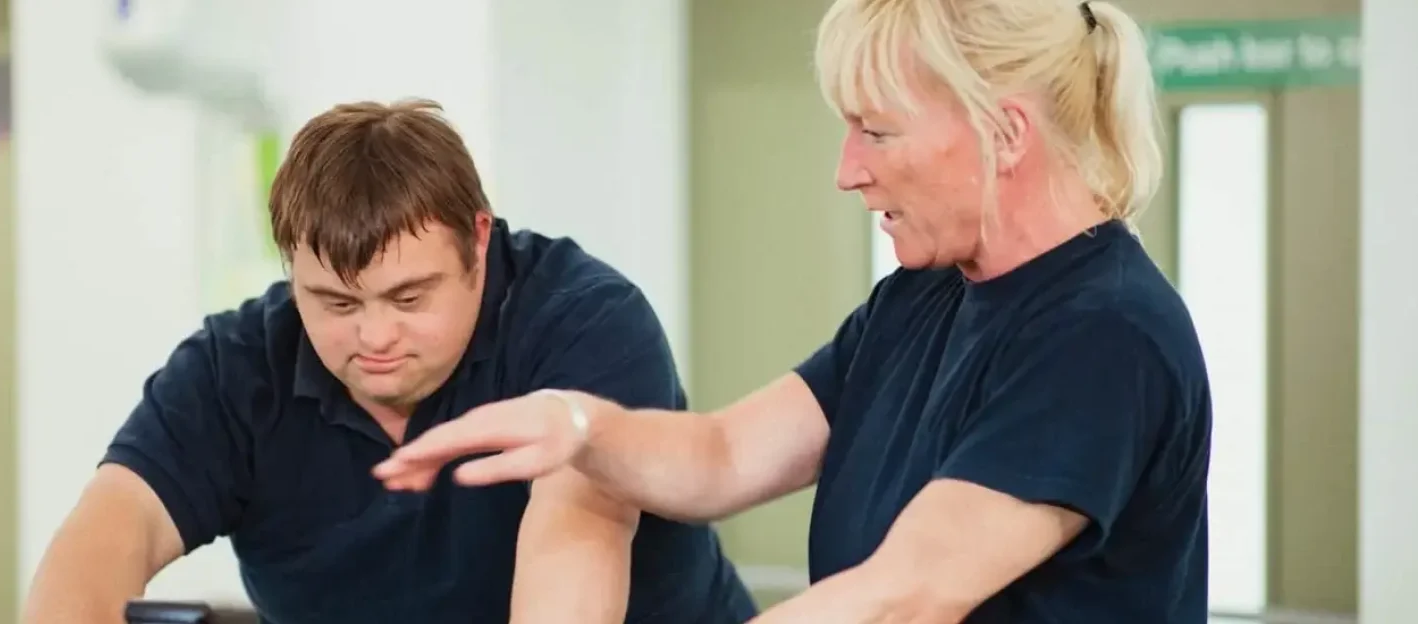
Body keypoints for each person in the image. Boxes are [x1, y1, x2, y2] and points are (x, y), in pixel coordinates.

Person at [374, 0, 1213, 622]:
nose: (849, 171)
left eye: (876, 132)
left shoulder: (1105, 334)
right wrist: (580, 429)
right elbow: (724, 455)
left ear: (1005, 132)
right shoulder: (920, 299)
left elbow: (908, 593)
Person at [22, 99, 757, 624]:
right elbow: (108, 532)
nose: (374, 336)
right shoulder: (235, 370)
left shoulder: (581, 321)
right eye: (337, 304)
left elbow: (577, 544)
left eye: (408, 298)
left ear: (477, 240)